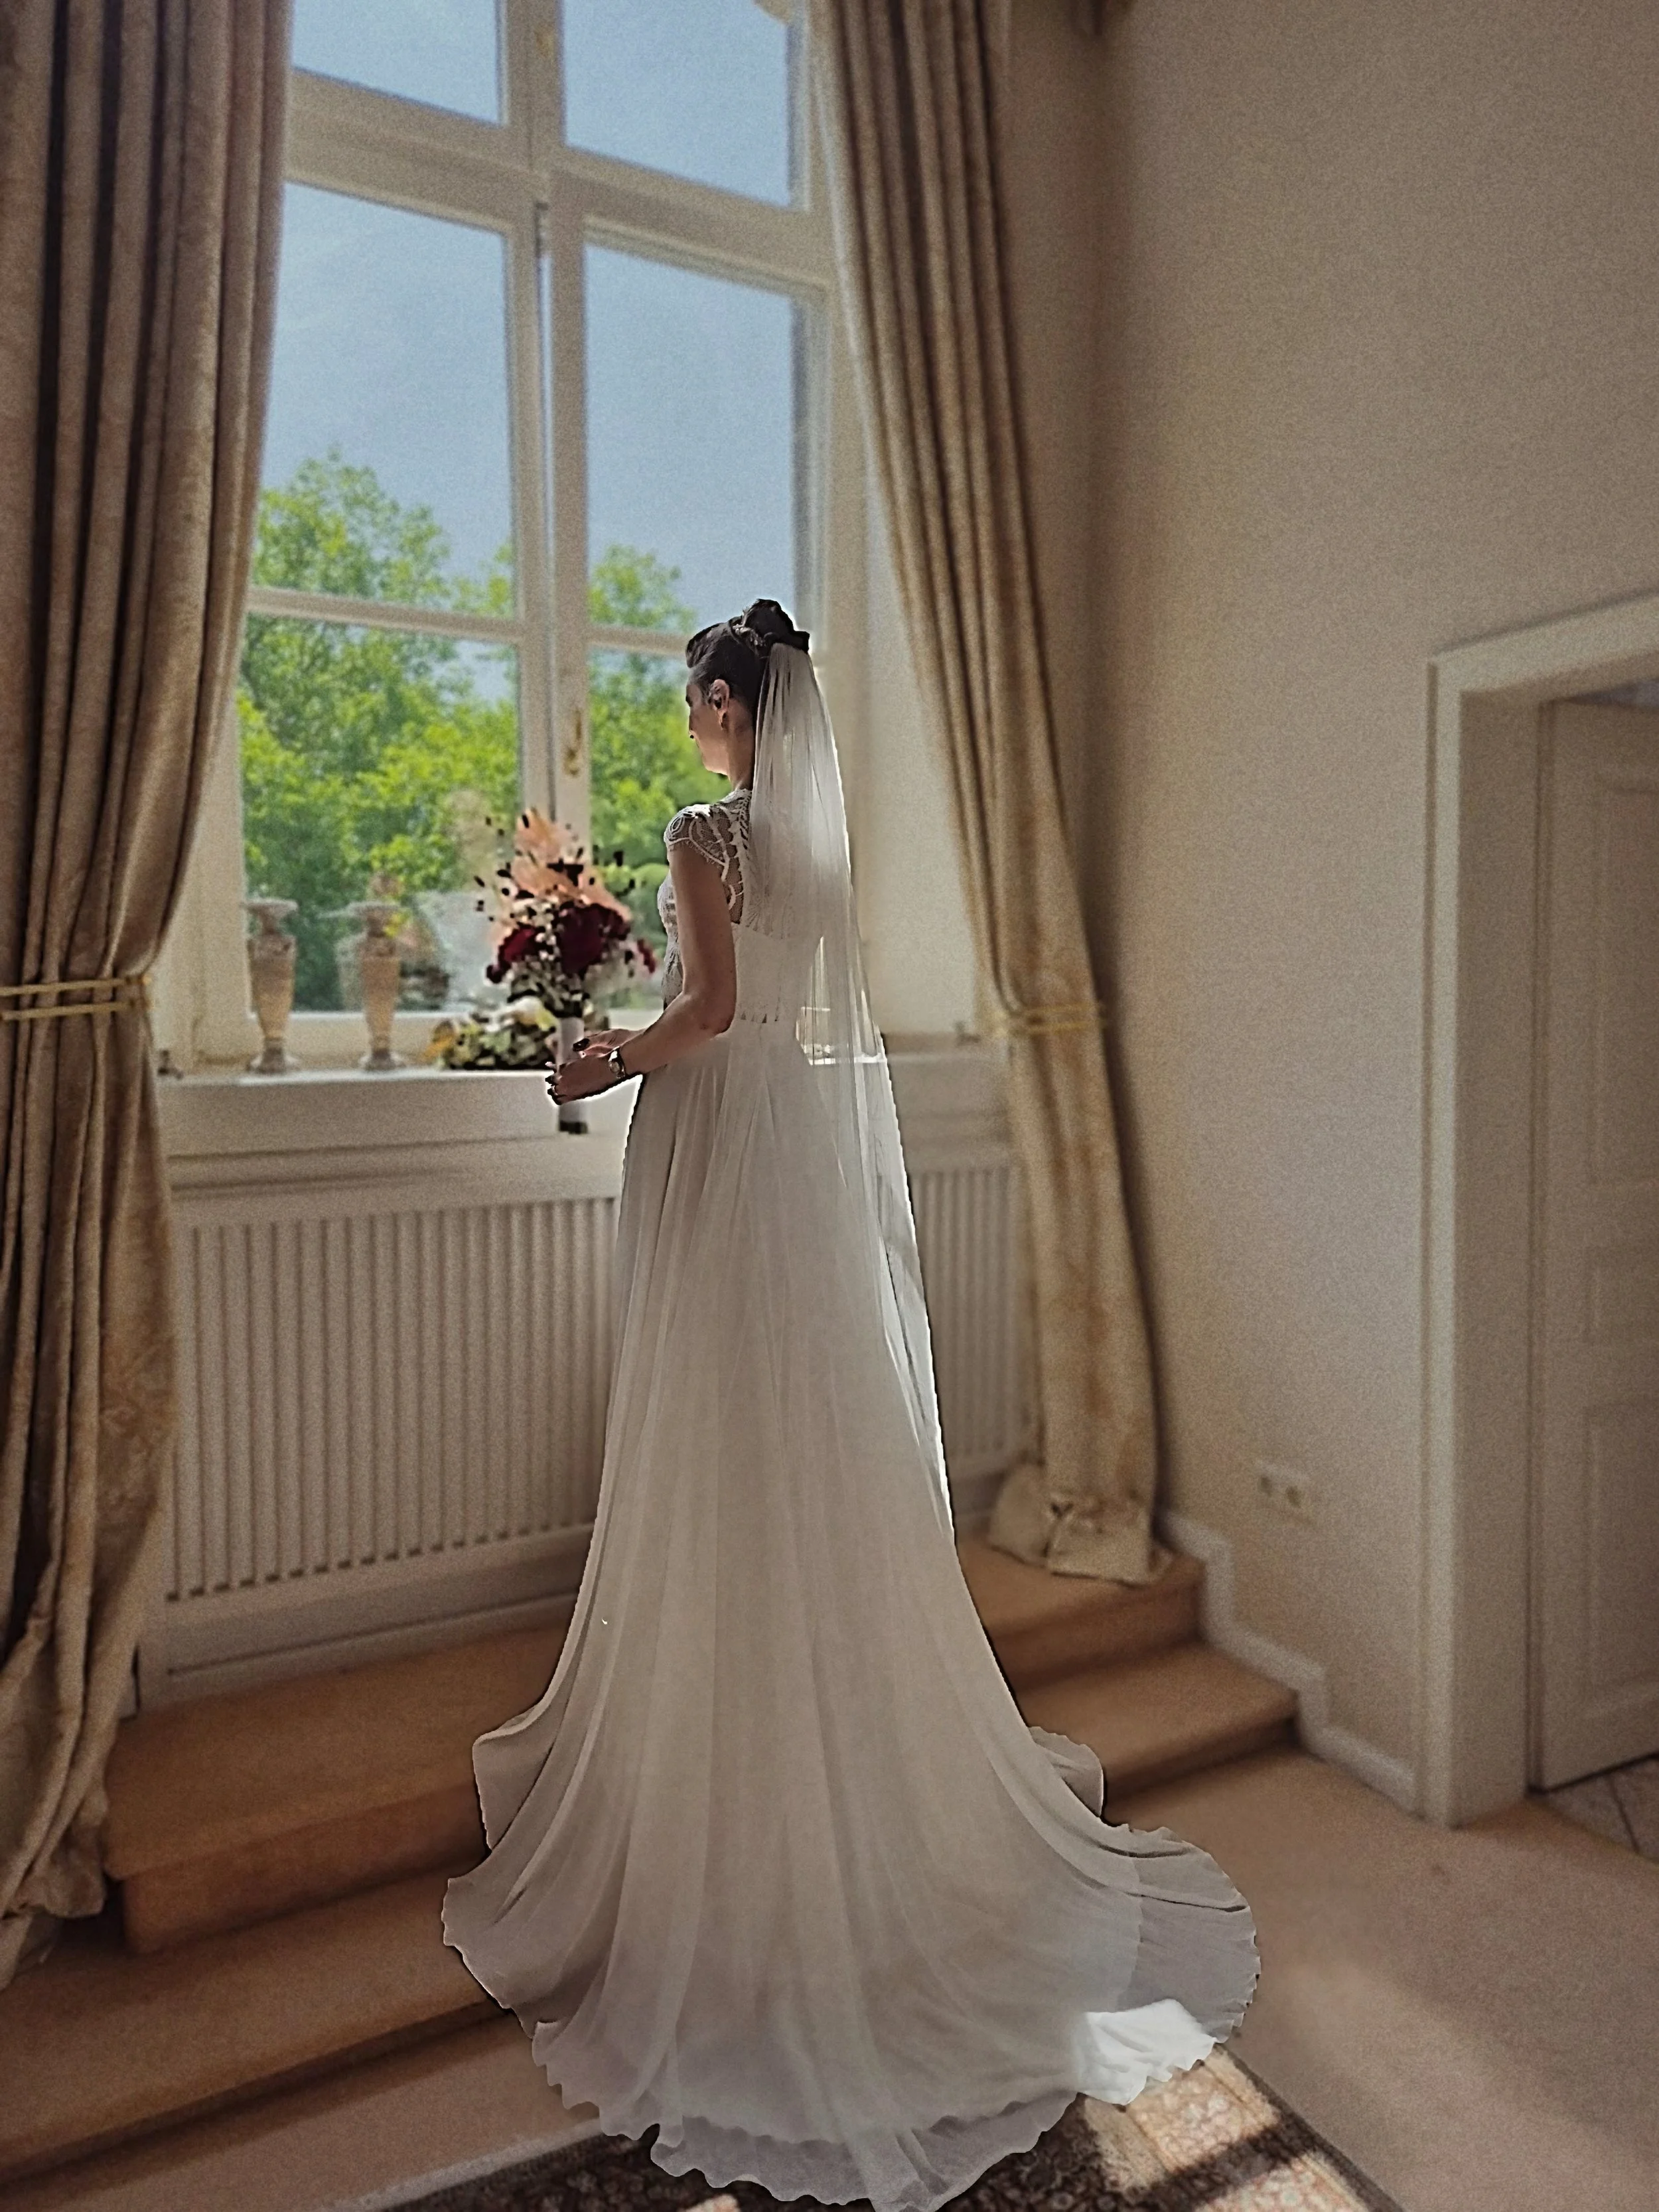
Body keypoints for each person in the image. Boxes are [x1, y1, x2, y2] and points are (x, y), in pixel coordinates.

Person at [441, 601, 1258, 2212]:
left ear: (730, 705)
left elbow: (716, 1017)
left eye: (695, 698)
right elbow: (799, 1018)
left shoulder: (703, 834)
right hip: (797, 1171)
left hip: (718, 1151)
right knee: (810, 1447)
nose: (690, 723)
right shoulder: (816, 850)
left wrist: (608, 1061)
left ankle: (731, 1795)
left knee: (718, 1447)